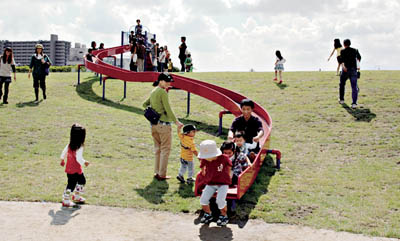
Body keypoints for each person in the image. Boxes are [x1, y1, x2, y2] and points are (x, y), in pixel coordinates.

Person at [143, 73, 183, 180]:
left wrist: (154, 110)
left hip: (154, 124)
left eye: (169, 82)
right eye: (167, 81)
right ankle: (162, 174)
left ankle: (157, 172)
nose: (169, 84)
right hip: (164, 125)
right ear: (160, 81)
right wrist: (177, 122)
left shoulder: (154, 90)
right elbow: (168, 109)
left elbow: (144, 104)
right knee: (165, 149)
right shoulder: (163, 92)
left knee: (158, 149)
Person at [198, 140, 232, 226]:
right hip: (210, 182)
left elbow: (229, 167)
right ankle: (208, 214)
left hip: (223, 183)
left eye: (208, 156)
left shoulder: (224, 158)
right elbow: (202, 166)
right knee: (203, 200)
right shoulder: (205, 159)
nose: (206, 158)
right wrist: (203, 172)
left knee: (220, 200)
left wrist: (229, 177)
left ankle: (224, 216)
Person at [60, 124, 90, 207]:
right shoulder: (79, 147)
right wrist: (85, 162)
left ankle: (76, 196)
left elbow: (64, 152)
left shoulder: (70, 145)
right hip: (75, 169)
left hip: (70, 169)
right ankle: (66, 200)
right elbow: (78, 158)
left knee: (80, 181)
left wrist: (62, 159)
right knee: (72, 184)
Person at [338, 39, 362, 108]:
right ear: (350, 44)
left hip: (345, 70)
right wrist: (357, 65)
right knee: (354, 87)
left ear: (344, 44)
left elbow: (341, 61)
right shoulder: (355, 50)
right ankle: (354, 103)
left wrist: (344, 67)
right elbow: (359, 58)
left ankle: (342, 99)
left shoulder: (342, 51)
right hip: (353, 70)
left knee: (342, 84)